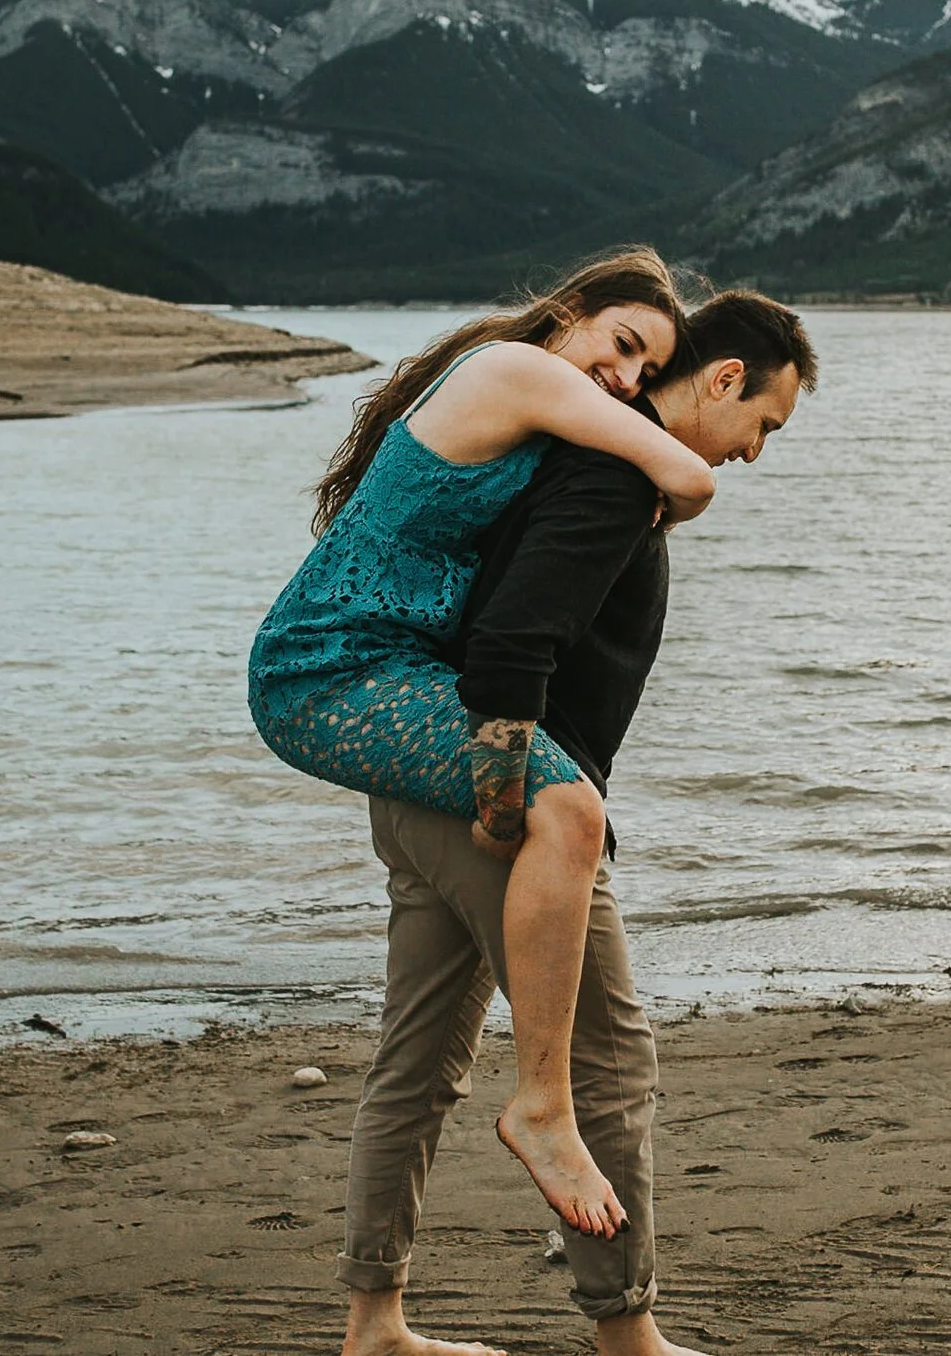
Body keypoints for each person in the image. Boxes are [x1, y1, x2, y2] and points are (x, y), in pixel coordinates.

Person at [337, 291, 818, 1356]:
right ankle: (627, 1333)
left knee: (419, 1059)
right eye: (764, 424)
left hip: (424, 785)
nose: (754, 451)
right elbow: (512, 643)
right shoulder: (613, 474)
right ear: (725, 378)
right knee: (606, 1060)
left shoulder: (597, 458)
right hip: (498, 802)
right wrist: (511, 804)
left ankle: (375, 1323)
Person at [250, 249, 715, 1240]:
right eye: (622, 343)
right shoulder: (517, 369)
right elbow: (687, 474)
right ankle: (542, 1102)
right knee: (570, 808)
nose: (626, 377)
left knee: (418, 1050)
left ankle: (374, 1308)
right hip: (328, 667)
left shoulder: (530, 394)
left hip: (388, 670)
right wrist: (658, 472)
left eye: (645, 369)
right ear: (571, 310)